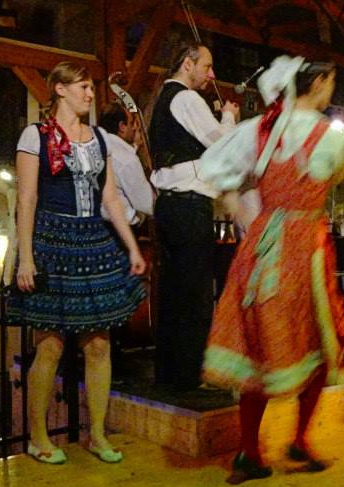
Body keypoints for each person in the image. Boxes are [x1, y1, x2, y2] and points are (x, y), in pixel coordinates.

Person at [199, 56, 344, 484]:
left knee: (258, 346)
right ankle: (298, 440)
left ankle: (251, 451)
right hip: (306, 250)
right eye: (331, 82)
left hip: (264, 245)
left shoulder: (260, 130)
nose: (331, 90)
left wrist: (249, 220)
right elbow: (341, 172)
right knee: (318, 341)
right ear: (318, 83)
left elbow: (218, 175)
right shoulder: (333, 137)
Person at [6, 61, 147, 465]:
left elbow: (111, 198)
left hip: (93, 242)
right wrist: (26, 258)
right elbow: (27, 200)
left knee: (99, 344)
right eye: (83, 87)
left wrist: (132, 247)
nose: (90, 94)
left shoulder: (99, 138)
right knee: (50, 345)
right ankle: (37, 437)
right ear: (60, 89)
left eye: (90, 87)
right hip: (53, 240)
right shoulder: (36, 136)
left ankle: (97, 434)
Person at [148, 42, 239, 391]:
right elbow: (222, 145)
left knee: (173, 293)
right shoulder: (186, 98)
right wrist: (228, 116)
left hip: (170, 205)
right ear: (188, 64)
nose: (211, 74)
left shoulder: (164, 100)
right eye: (207, 66)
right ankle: (190, 376)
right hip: (189, 206)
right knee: (195, 293)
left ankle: (170, 374)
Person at [97, 103, 155, 226]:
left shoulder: (96, 149)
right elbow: (147, 204)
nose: (135, 128)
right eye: (132, 123)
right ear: (122, 127)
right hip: (123, 228)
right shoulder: (127, 159)